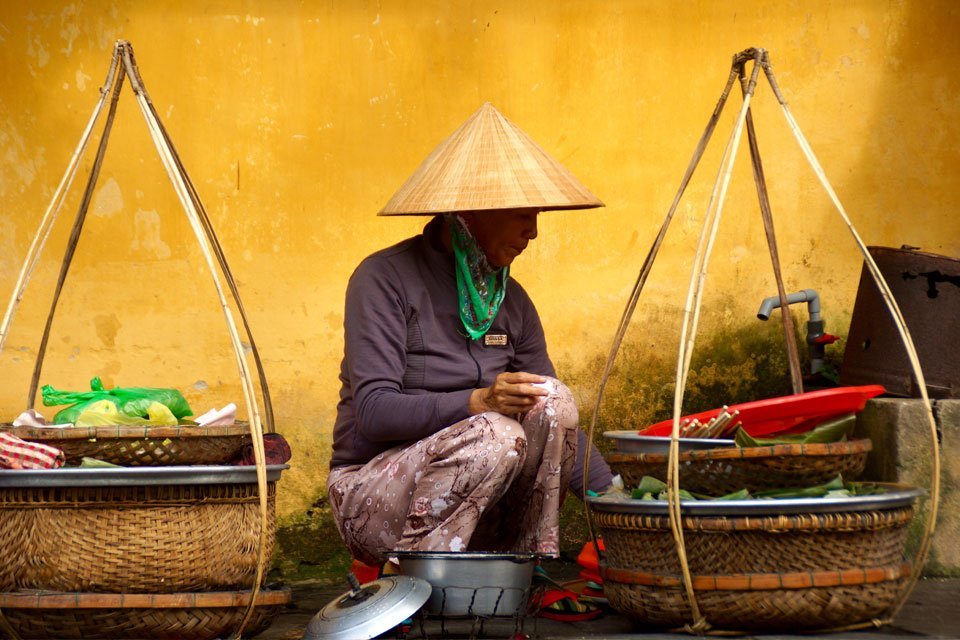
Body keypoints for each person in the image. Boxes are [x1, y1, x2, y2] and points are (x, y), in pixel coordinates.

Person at [327, 103, 613, 568]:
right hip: (374, 497)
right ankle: (419, 582)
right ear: (468, 214)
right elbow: (375, 412)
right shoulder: (383, 279)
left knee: (552, 399)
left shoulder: (513, 301)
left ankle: (521, 569)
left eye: (536, 213)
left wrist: (621, 500)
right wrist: (479, 402)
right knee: (497, 433)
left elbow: (562, 427)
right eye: (521, 212)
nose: (533, 231)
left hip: (485, 502)